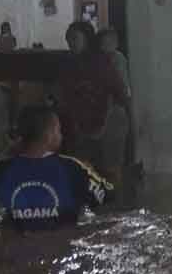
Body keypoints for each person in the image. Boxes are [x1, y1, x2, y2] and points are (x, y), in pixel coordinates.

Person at [0, 106, 112, 230]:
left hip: (16, 250)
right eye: (58, 130)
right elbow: (108, 195)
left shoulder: (1, 169)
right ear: (49, 135)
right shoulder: (73, 168)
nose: (61, 136)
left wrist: (8, 150)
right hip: (62, 247)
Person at [56, 22, 130, 187]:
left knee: (110, 170)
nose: (71, 43)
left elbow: (119, 91)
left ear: (86, 39)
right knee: (84, 170)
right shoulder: (69, 65)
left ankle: (113, 204)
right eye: (68, 39)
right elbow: (65, 94)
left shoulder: (102, 62)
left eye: (75, 38)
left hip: (110, 121)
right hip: (82, 124)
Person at [97, 29, 131, 98]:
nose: (105, 47)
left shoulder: (119, 57)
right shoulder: (101, 58)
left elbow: (122, 77)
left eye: (109, 44)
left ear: (116, 44)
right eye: (103, 44)